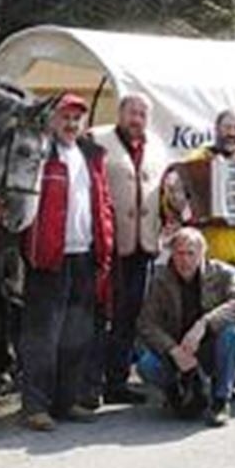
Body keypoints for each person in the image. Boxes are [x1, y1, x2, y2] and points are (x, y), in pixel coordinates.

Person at [19, 93, 114, 431]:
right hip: (49, 257)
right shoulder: (40, 153)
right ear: (52, 121)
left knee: (77, 334)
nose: (71, 124)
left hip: (85, 256)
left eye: (77, 119)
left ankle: (66, 401)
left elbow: (101, 204)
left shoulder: (92, 156)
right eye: (65, 118)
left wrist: (106, 246)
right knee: (43, 335)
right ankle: (35, 406)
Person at [135, 227, 235, 427]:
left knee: (233, 334)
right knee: (146, 365)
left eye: (191, 253)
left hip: (209, 346)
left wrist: (204, 324)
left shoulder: (223, 273)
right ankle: (175, 395)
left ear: (202, 254)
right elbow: (146, 323)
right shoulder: (160, 279)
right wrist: (172, 350)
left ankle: (221, 400)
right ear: (172, 254)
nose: (185, 260)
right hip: (178, 348)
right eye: (179, 253)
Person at [87, 94, 161, 406]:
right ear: (120, 113)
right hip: (106, 245)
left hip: (143, 246)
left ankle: (116, 382)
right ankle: (89, 384)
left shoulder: (156, 145)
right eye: (132, 112)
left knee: (129, 316)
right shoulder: (96, 140)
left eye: (143, 114)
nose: (137, 119)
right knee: (97, 316)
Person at [161, 108, 235, 270]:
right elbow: (170, 205)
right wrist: (174, 198)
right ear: (216, 130)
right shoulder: (195, 161)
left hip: (234, 257)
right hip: (197, 257)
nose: (231, 133)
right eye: (227, 127)